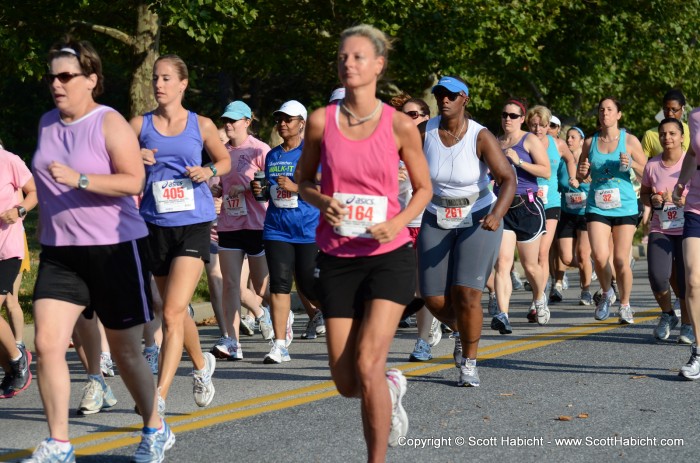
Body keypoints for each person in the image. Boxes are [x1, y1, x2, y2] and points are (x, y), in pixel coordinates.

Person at [28, 39, 172, 463]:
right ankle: (59, 444)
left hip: (114, 249)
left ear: (91, 80)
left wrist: (81, 179)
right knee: (48, 343)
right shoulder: (46, 123)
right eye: (51, 76)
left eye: (65, 76)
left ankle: (154, 426)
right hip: (60, 252)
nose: (56, 83)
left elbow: (134, 182)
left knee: (125, 350)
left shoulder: (109, 123)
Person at [296, 24, 431, 460]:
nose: (347, 63)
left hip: (388, 256)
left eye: (357, 57)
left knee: (369, 362)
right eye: (342, 56)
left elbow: (425, 189)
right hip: (337, 257)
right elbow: (301, 181)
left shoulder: (399, 126)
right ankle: (391, 387)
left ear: (378, 65)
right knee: (346, 380)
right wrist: (321, 200)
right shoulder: (321, 120)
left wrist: (399, 223)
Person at [131, 54, 230, 414]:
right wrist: (132, 154)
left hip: (193, 222)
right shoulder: (139, 124)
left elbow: (224, 161)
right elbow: (109, 157)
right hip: (154, 223)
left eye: (167, 78)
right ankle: (202, 367)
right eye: (156, 78)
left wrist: (208, 170)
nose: (159, 84)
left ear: (183, 84)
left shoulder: (200, 124)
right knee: (173, 310)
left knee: (172, 312)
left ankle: (158, 398)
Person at [417, 76, 515, 385]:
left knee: (467, 293)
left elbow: (508, 179)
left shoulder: (480, 136)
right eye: (439, 95)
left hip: (478, 217)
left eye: (450, 95)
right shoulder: (424, 132)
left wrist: (498, 214)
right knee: (431, 297)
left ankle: (469, 361)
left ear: (464, 100)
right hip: (436, 215)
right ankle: (461, 328)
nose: (443, 100)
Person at [251, 100, 319, 363]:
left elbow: (326, 189)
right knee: (279, 285)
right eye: (279, 119)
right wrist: (262, 191)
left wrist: (296, 187)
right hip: (276, 228)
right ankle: (279, 345)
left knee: (308, 285)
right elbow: (270, 189)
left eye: (288, 119)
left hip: (307, 229)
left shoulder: (313, 153)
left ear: (302, 123)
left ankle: (345, 320)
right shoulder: (273, 155)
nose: (282, 124)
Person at [211, 100, 276, 360]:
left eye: (234, 120)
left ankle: (282, 311)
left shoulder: (260, 150)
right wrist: (216, 189)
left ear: (247, 122)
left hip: (257, 223)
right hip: (229, 223)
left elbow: (271, 185)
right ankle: (232, 342)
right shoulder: (221, 152)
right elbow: (216, 182)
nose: (228, 124)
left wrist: (248, 187)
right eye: (226, 119)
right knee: (230, 284)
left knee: (261, 288)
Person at [577, 97, 647, 323]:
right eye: (601, 110)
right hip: (597, 204)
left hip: (624, 205)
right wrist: (583, 171)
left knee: (619, 259)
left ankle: (625, 304)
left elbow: (648, 173)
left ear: (618, 115)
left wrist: (632, 165)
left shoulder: (630, 141)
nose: (604, 113)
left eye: (609, 109)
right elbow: (580, 174)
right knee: (598, 255)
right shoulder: (590, 143)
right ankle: (607, 293)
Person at [492, 99, 551, 334]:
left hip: (527, 207)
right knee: (503, 263)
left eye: (513, 116)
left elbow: (545, 170)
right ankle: (503, 315)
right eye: (505, 114)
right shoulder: (495, 143)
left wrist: (519, 162)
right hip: (502, 206)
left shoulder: (529, 140)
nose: (508, 119)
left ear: (522, 119)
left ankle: (539, 297)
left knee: (530, 266)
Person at [395, 97, 442, 361]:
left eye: (413, 114)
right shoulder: (392, 145)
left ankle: (422, 341)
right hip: (400, 223)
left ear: (426, 117)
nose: (407, 119)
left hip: (429, 221)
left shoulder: (436, 145)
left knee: (423, 287)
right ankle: (431, 317)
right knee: (406, 286)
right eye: (403, 115)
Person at [642, 118, 693, 343]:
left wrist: (685, 200)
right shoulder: (652, 165)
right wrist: (652, 199)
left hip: (687, 227)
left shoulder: (691, 163)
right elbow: (644, 193)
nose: (667, 138)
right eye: (663, 134)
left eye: (672, 133)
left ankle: (689, 324)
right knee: (657, 276)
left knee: (685, 280)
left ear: (682, 137)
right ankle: (667, 314)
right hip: (660, 227)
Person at [525, 106, 577, 308]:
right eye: (534, 125)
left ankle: (539, 298)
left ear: (548, 126)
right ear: (528, 125)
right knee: (532, 255)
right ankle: (538, 293)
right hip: (528, 202)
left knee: (542, 252)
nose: (538, 129)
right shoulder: (524, 143)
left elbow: (571, 159)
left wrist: (572, 177)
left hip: (551, 202)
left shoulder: (557, 144)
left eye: (543, 125)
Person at [0, 143, 36, 400]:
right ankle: (11, 369)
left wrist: (19, 210)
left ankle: (18, 360)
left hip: (7, 250)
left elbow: (34, 191)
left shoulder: (9, 160)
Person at [672, 107, 700, 379]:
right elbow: (693, 152)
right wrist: (681, 183)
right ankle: (699, 350)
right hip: (696, 206)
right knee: (692, 280)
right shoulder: (694, 116)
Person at [556, 127, 594, 306]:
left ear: (581, 141)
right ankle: (591, 266)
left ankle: (585, 290)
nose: (569, 140)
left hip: (586, 213)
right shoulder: (562, 162)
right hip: (567, 212)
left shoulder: (589, 161)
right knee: (566, 258)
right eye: (568, 137)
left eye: (573, 137)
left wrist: (589, 180)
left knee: (583, 254)